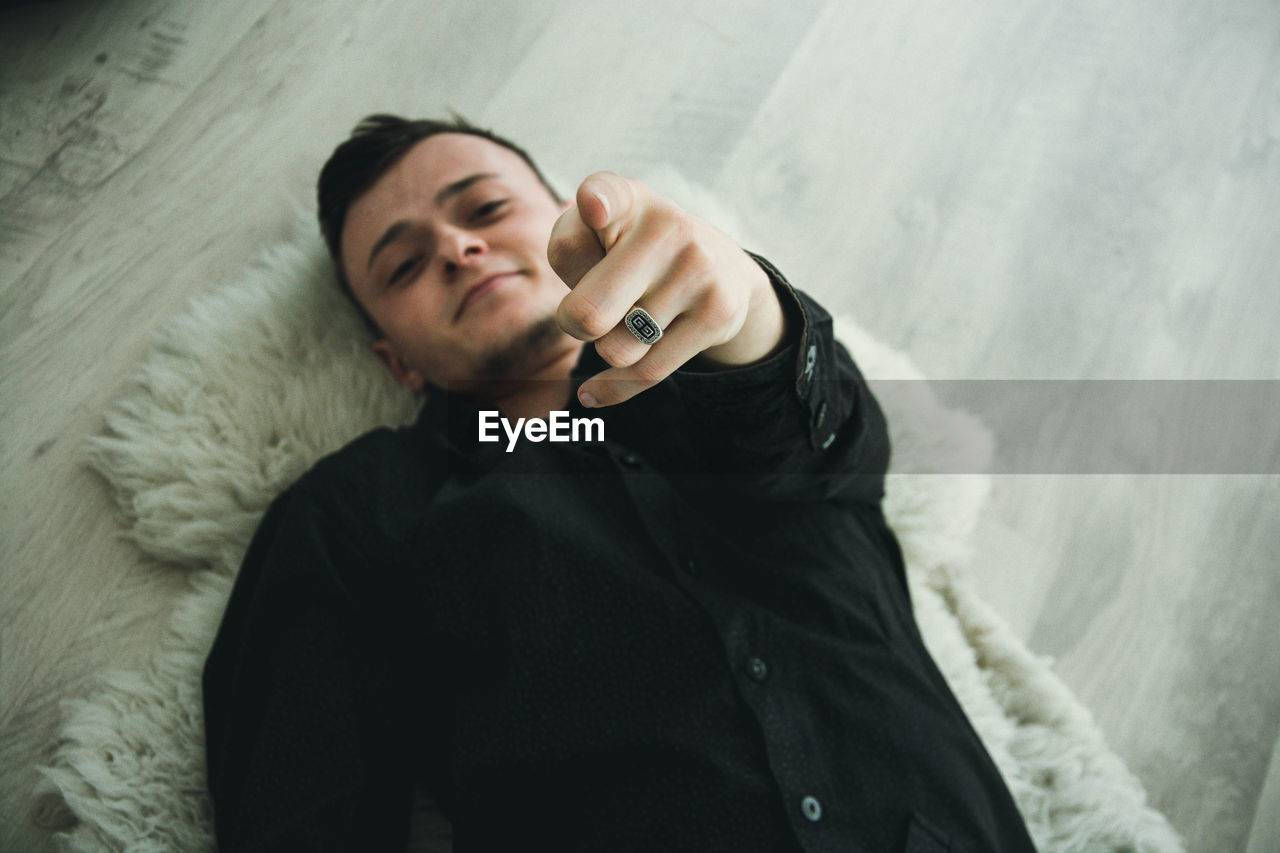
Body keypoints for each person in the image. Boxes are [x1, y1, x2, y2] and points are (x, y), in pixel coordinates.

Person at [201, 114, 1036, 852]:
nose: (457, 248)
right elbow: (298, 812)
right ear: (397, 363)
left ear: (572, 223)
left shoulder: (738, 373)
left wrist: (751, 312)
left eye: (486, 210)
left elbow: (835, 448)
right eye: (405, 265)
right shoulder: (354, 511)